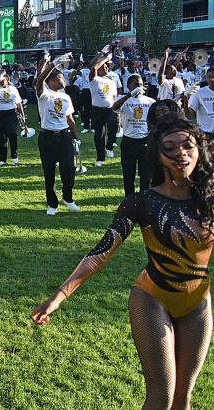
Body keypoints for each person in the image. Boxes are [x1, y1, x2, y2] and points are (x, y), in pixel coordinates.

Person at [32, 113, 214, 410]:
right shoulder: (141, 203)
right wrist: (59, 296)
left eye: (188, 146)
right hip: (152, 298)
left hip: (198, 303)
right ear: (157, 153)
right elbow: (102, 252)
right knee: (161, 397)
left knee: (183, 399)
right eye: (171, 147)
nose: (181, 154)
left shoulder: (209, 198)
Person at [35, 53, 81, 215]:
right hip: (47, 137)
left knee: (69, 169)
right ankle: (52, 204)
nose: (64, 80)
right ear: (53, 81)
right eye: (62, 77)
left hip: (64, 136)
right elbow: (40, 80)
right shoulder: (44, 94)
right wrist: (54, 63)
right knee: (49, 172)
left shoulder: (66, 96)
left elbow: (69, 118)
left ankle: (68, 198)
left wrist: (76, 137)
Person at [113, 74, 155, 197]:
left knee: (145, 174)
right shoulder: (124, 100)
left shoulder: (150, 101)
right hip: (129, 141)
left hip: (145, 140)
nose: (139, 87)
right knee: (128, 173)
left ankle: (144, 198)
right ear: (129, 85)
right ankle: (129, 198)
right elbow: (114, 108)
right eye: (136, 84)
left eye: (141, 84)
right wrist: (129, 95)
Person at [0, 70, 23, 165]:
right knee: (2, 137)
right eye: (0, 80)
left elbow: (18, 103)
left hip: (11, 113)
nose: (1, 82)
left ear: (7, 80)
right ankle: (3, 159)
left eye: (3, 80)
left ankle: (14, 154)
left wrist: (22, 114)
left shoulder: (13, 89)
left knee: (12, 133)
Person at [88, 52, 119, 166]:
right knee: (99, 134)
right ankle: (100, 158)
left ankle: (110, 146)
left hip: (110, 108)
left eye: (107, 66)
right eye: (104, 66)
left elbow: (114, 96)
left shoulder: (111, 81)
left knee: (114, 125)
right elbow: (93, 68)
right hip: (97, 110)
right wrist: (105, 58)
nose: (106, 68)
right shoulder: (94, 79)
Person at [185, 66, 214, 143]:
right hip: (205, 133)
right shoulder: (199, 93)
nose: (212, 79)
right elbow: (189, 115)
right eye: (209, 77)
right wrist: (185, 98)